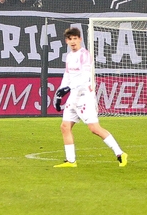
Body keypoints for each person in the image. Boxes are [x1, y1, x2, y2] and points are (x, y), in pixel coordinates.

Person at [53, 27, 127, 168]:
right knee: (64, 126)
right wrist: (59, 93)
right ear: (66, 41)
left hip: (84, 96)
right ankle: (71, 161)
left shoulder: (84, 55)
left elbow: (85, 76)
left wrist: (68, 88)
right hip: (73, 96)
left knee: (94, 128)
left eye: (75, 38)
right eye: (70, 39)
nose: (73, 41)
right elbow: (67, 76)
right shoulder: (69, 56)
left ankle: (120, 153)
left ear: (80, 39)